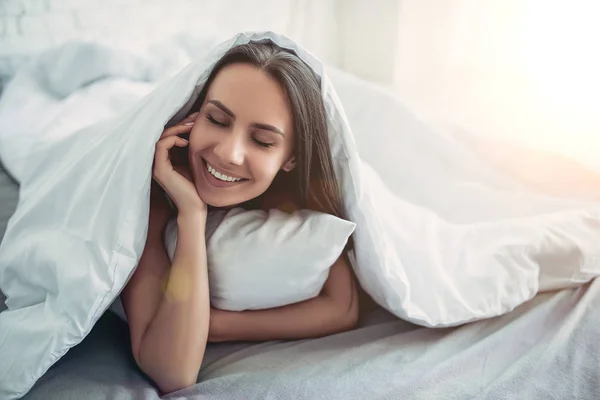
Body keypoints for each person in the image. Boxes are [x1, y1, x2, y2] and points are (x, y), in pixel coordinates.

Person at [120, 42, 360, 394]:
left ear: (290, 159)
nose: (228, 154)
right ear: (192, 117)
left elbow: (343, 307)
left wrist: (215, 325)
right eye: (216, 120)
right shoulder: (151, 199)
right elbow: (171, 372)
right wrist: (190, 213)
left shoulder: (289, 197)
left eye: (262, 141)